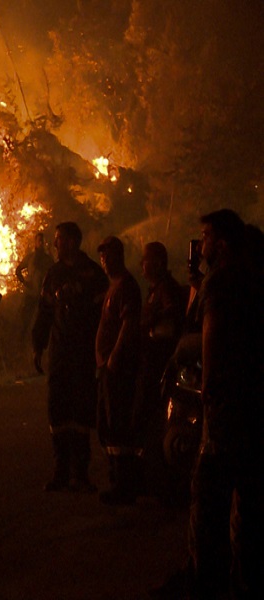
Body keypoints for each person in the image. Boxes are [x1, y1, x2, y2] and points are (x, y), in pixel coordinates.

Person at [186, 209, 263, 599]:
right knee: (248, 510)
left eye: (206, 235)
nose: (201, 244)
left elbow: (213, 346)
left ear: (223, 241)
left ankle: (208, 587)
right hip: (254, 410)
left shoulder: (222, 283)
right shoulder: (253, 277)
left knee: (209, 505)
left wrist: (208, 393)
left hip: (227, 414)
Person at [32, 222, 109, 492]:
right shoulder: (53, 274)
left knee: (81, 411)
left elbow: (105, 317)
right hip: (60, 351)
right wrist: (38, 345)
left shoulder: (93, 275)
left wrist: (103, 352)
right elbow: (44, 311)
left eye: (60, 240)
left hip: (84, 353)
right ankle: (61, 471)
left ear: (74, 242)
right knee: (58, 409)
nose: (56, 245)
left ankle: (81, 473)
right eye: (56, 240)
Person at [95, 236, 143, 505]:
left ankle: (124, 485)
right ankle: (117, 480)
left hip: (118, 367)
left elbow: (128, 324)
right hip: (106, 366)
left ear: (119, 256)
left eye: (109, 256)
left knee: (118, 423)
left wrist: (114, 355)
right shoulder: (112, 286)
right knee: (107, 422)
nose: (105, 261)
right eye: (102, 256)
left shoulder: (126, 286)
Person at [137, 241, 185, 499]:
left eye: (145, 260)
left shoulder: (166, 290)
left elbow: (171, 315)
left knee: (156, 419)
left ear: (157, 263)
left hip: (160, 363)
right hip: (152, 360)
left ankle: (162, 483)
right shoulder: (155, 289)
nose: (141, 265)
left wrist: (152, 321)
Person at [16, 232, 54, 340]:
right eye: (39, 241)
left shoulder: (48, 259)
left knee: (41, 322)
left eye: (43, 241)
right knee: (25, 321)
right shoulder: (30, 258)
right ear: (35, 243)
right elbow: (18, 270)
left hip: (43, 295)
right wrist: (24, 282)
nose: (41, 243)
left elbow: (55, 273)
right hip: (30, 294)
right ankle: (21, 343)